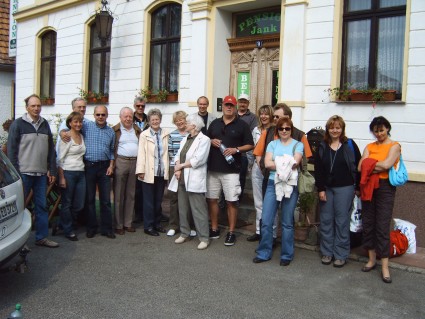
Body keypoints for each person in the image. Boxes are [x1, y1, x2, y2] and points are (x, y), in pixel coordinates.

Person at [7, 94, 59, 248]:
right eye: (33, 106)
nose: (36, 108)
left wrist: (52, 170)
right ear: (27, 107)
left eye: (38, 105)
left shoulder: (45, 125)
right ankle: (17, 242)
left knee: (42, 206)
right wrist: (15, 173)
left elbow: (51, 150)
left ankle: (41, 237)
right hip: (23, 174)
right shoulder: (18, 125)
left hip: (41, 174)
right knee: (19, 208)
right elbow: (11, 151)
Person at [253, 117, 303, 266]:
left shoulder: (298, 145)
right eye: (281, 128)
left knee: (287, 222)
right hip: (272, 183)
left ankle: (287, 255)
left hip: (290, 185)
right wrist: (286, 162)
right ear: (277, 130)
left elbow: (295, 163)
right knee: (267, 220)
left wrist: (279, 163)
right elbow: (267, 163)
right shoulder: (272, 144)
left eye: (287, 128)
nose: (284, 131)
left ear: (291, 130)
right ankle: (264, 252)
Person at [206, 95, 254, 246]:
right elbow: (204, 140)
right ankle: (214, 229)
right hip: (213, 169)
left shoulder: (242, 125)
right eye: (227, 105)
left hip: (232, 170)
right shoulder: (214, 123)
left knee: (231, 201)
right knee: (212, 199)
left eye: (231, 105)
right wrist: (210, 141)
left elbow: (250, 145)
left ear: (235, 107)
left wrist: (236, 149)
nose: (229, 107)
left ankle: (231, 232)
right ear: (223, 106)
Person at [358, 116, 401, 284]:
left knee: (382, 225)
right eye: (376, 131)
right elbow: (361, 167)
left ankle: (385, 265)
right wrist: (372, 165)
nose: (379, 134)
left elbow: (387, 165)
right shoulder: (369, 146)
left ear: (387, 129)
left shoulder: (394, 146)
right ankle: (371, 259)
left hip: (385, 187)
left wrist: (370, 164)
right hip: (368, 185)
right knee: (368, 222)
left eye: (381, 130)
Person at [314, 115, 361, 268]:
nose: (335, 130)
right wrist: (320, 189)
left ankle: (340, 254)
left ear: (342, 129)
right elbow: (318, 169)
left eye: (338, 127)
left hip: (345, 188)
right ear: (328, 129)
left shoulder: (350, 145)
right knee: (326, 220)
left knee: (342, 221)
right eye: (332, 127)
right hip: (327, 188)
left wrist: (358, 187)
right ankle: (327, 252)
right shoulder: (322, 145)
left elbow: (358, 166)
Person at [170, 114, 211, 249]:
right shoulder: (186, 138)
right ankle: (184, 233)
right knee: (183, 208)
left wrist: (180, 166)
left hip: (194, 179)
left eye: (187, 122)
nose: (185, 124)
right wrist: (177, 169)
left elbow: (198, 160)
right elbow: (178, 155)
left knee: (198, 209)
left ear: (194, 126)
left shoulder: (204, 140)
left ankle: (204, 237)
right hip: (181, 178)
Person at [253, 103, 313, 196]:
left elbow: (306, 157)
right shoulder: (267, 132)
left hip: (291, 180)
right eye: (274, 116)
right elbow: (258, 153)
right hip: (270, 178)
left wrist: (288, 169)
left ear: (287, 117)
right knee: (268, 209)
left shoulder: (300, 135)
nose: (274, 119)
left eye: (277, 116)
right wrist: (263, 168)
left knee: (287, 210)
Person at [136, 108, 170, 236]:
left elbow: (167, 154)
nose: (155, 121)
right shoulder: (144, 135)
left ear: (160, 120)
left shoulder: (166, 133)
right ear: (149, 121)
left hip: (161, 172)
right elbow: (141, 153)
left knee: (158, 200)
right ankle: (148, 226)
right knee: (149, 201)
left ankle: (157, 224)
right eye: (152, 120)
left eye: (157, 119)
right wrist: (140, 170)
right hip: (148, 172)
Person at [84, 105, 116, 239]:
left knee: (106, 200)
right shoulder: (86, 127)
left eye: (103, 114)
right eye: (98, 114)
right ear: (94, 115)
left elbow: (112, 151)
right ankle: (91, 228)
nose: (101, 117)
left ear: (107, 115)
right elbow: (70, 127)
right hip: (89, 166)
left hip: (104, 168)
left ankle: (107, 228)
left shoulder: (111, 132)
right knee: (90, 199)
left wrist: (111, 166)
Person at [247, 104, 276, 242]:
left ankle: (272, 234)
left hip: (271, 168)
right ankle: (259, 231)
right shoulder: (255, 130)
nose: (264, 116)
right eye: (261, 114)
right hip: (257, 168)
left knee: (272, 202)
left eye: (266, 114)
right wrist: (251, 164)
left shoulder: (276, 130)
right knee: (258, 202)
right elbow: (252, 149)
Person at [56, 112, 86, 241]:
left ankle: (61, 224)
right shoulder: (66, 137)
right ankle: (68, 230)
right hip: (68, 172)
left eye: (80, 122)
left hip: (81, 172)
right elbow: (59, 159)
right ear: (70, 123)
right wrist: (62, 177)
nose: (78, 124)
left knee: (79, 204)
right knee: (67, 203)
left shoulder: (81, 136)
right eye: (75, 122)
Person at [112, 107, 141, 235]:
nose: (128, 119)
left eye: (130, 116)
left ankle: (128, 223)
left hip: (134, 162)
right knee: (119, 194)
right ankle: (118, 224)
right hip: (121, 162)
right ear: (121, 117)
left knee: (131, 194)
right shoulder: (115, 130)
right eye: (126, 116)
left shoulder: (137, 130)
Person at [167, 111, 189, 236]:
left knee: (187, 198)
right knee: (174, 197)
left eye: (182, 119)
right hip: (174, 168)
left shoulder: (191, 134)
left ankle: (188, 225)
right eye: (177, 121)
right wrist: (177, 168)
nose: (180, 122)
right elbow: (171, 153)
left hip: (188, 168)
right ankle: (173, 225)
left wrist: (183, 166)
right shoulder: (172, 135)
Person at [237, 94, 258, 201]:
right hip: (229, 152)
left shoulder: (252, 117)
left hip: (244, 152)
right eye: (241, 101)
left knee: (241, 177)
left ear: (248, 104)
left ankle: (238, 199)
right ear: (237, 102)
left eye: (245, 102)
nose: (242, 104)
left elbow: (253, 133)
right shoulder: (232, 114)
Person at [133, 96, 149, 224]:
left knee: (147, 186)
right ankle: (137, 213)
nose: (140, 108)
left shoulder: (148, 120)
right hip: (134, 157)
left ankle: (149, 212)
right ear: (135, 106)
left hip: (147, 156)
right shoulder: (128, 119)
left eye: (142, 106)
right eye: (138, 106)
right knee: (136, 187)